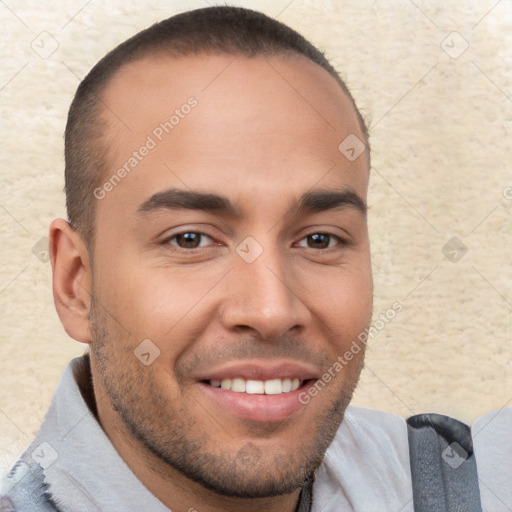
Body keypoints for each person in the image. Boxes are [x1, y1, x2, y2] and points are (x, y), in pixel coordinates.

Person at [0, 6, 510, 512]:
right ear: (76, 283)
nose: (271, 311)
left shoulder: (466, 483)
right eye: (191, 240)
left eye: (319, 240)